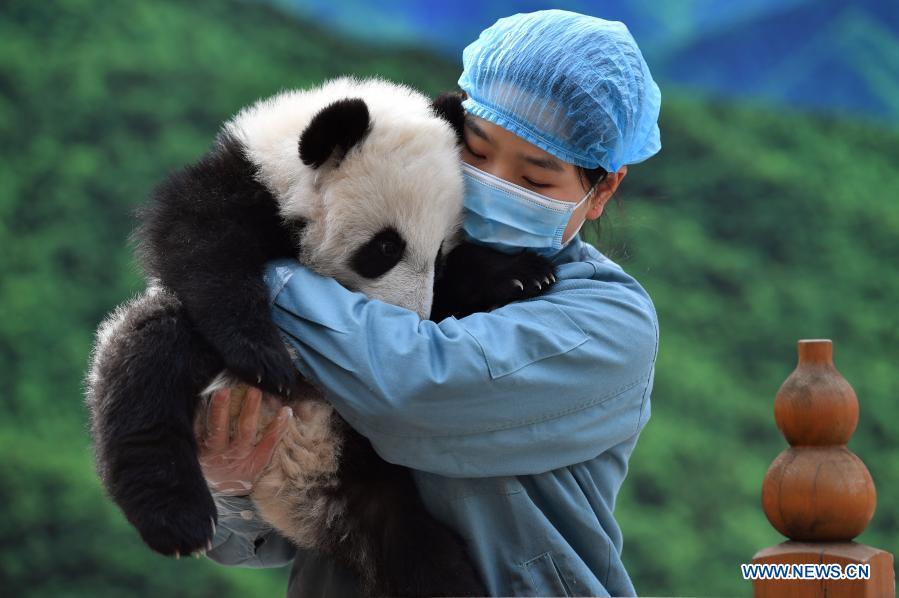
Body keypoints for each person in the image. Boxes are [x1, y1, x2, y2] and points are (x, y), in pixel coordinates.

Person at [200, 9, 661, 597]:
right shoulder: (365, 262)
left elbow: (412, 391)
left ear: (602, 191)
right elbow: (292, 517)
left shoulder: (606, 321)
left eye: (538, 179)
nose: (493, 183)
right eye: (477, 150)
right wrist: (231, 484)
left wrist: (241, 265)